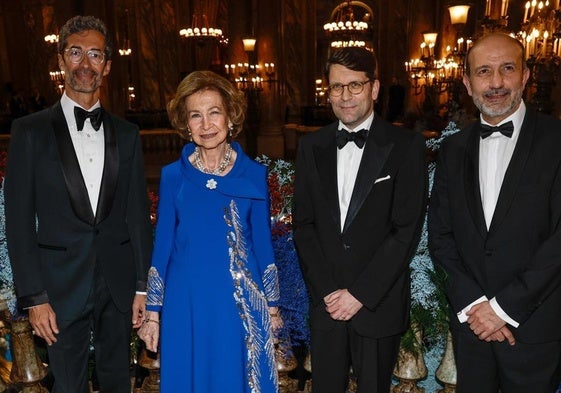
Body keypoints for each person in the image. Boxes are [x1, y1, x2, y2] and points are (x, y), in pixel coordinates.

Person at [4, 15, 153, 393]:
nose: (85, 64)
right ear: (60, 60)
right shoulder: (29, 131)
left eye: (95, 54)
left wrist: (141, 286)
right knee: (67, 386)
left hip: (119, 286)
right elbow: (19, 221)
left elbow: (137, 215)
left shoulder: (128, 134)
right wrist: (34, 298)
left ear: (107, 65)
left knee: (119, 381)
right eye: (75, 53)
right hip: (57, 287)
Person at [428, 32, 561, 393]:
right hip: (472, 329)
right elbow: (440, 236)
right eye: (484, 72)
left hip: (534, 328)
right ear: (468, 82)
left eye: (507, 69)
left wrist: (501, 309)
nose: (496, 83)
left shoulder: (556, 142)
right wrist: (476, 306)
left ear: (526, 75)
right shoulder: (452, 150)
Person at [137, 70, 282, 393]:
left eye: (214, 113)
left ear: (231, 116)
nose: (206, 125)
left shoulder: (254, 174)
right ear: (185, 125)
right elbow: (162, 245)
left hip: (238, 303)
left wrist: (272, 308)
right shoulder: (173, 175)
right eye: (195, 116)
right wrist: (153, 315)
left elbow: (262, 242)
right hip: (185, 302)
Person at [292, 47, 428, 393]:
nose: (345, 96)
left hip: (376, 305)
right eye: (337, 87)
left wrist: (359, 294)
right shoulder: (311, 146)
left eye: (355, 85)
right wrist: (328, 292)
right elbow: (304, 225)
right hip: (327, 305)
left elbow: (405, 231)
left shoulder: (406, 146)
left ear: (375, 88)